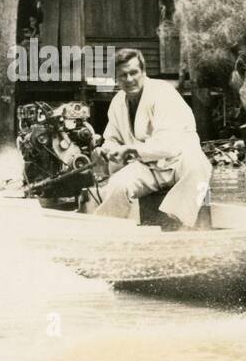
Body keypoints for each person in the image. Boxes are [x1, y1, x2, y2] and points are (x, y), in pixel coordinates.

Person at [87, 49, 212, 230]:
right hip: (149, 167)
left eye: (133, 72)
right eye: (123, 75)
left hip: (179, 160)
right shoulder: (117, 103)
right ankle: (107, 233)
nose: (129, 79)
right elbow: (112, 139)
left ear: (144, 72)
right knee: (117, 185)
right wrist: (105, 151)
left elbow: (168, 146)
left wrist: (129, 150)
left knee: (199, 169)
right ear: (116, 79)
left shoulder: (163, 92)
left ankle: (183, 226)